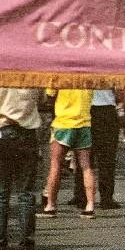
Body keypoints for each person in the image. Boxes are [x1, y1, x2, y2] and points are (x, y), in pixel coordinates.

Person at [0, 87, 42, 250]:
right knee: (26, 193)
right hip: (28, 133)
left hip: (2, 132)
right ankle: (27, 246)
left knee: (0, 194)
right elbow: (42, 99)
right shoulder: (33, 76)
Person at [39, 89, 96, 218]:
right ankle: (90, 205)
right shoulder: (89, 76)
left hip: (63, 123)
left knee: (55, 165)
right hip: (84, 123)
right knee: (86, 166)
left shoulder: (60, 74)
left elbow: (49, 96)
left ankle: (51, 205)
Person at [71, 89, 121, 210]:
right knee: (106, 156)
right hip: (106, 108)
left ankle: (81, 195)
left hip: (86, 106)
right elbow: (119, 90)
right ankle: (106, 197)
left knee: (84, 155)